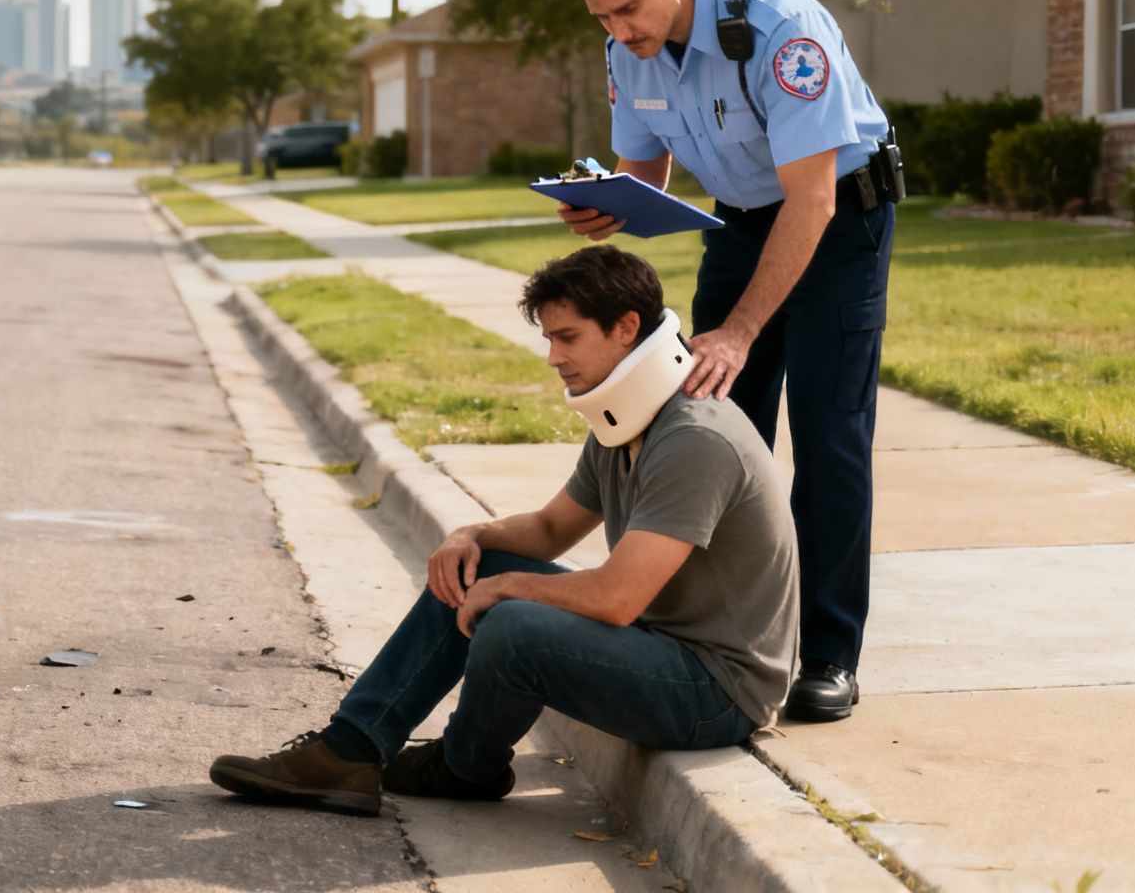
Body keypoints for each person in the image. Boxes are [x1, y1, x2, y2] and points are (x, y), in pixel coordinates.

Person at [209, 246, 797, 817]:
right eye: (548, 338)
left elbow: (617, 600)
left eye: (566, 337)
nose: (552, 356)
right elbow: (548, 528)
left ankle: (465, 769)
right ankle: (351, 749)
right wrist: (474, 536)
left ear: (625, 328)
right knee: (479, 570)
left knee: (512, 619)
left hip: (718, 692)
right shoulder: (628, 419)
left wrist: (509, 588)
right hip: (663, 648)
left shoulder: (694, 438)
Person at [555, 0, 897, 722]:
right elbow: (647, 178)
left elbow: (811, 199)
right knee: (705, 425)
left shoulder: (782, 27)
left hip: (839, 222)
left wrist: (741, 330)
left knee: (828, 434)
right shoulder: (625, 52)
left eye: (628, 8)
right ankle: (710, 634)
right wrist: (607, 208)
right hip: (742, 224)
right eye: (601, 16)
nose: (618, 28)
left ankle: (826, 654)